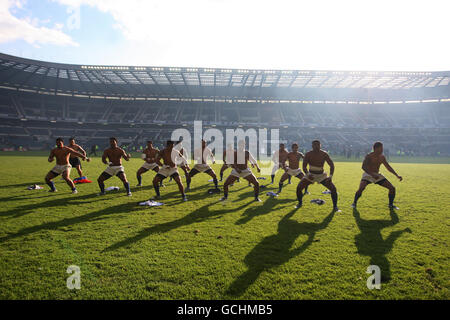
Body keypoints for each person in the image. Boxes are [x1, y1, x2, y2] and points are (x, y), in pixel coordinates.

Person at [352, 142, 403, 209]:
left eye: (382, 148)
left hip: (377, 175)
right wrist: (372, 174)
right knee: (361, 188)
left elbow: (388, 167)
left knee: (392, 188)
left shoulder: (382, 157)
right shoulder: (369, 156)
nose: (382, 150)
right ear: (376, 148)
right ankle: (354, 203)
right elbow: (363, 167)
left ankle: (391, 205)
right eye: (381, 148)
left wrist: (396, 175)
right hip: (368, 174)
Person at [296, 140, 340, 212]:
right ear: (312, 146)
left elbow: (331, 165)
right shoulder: (308, 154)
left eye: (318, 145)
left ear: (320, 145)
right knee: (299, 188)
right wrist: (308, 174)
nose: (316, 146)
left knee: (333, 189)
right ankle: (300, 203)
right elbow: (304, 166)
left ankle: (335, 207)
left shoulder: (324, 154)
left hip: (321, 175)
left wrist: (330, 176)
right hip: (311, 174)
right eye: (314, 145)